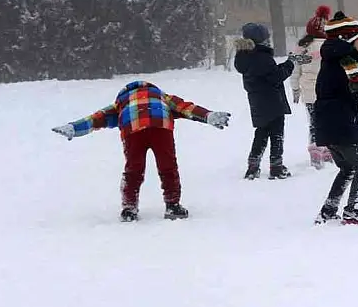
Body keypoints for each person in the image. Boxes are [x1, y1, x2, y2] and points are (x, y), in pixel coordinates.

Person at [51, 81, 230, 221]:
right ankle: (173, 205)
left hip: (133, 130)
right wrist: (208, 115)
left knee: (133, 170)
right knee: (168, 166)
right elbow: (186, 108)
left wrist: (73, 128)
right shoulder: (162, 97)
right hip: (161, 127)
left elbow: (96, 119)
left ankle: (129, 208)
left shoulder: (121, 102)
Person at [314, 12, 358, 224]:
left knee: (348, 167)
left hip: (325, 121)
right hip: (341, 120)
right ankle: (353, 209)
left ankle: (329, 209)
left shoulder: (329, 60)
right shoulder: (349, 60)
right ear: (349, 41)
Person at [234, 23, 312, 180]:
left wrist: (288, 62)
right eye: (266, 38)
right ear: (260, 40)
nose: (268, 41)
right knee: (277, 134)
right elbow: (276, 76)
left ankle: (253, 167)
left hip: (257, 102)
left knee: (261, 133)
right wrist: (290, 63)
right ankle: (276, 167)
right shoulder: (262, 57)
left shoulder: (245, 56)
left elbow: (269, 74)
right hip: (272, 101)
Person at [292, 5, 332, 169]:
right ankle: (329, 151)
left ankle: (315, 153)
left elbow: (294, 71)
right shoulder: (331, 46)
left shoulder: (301, 48)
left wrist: (295, 89)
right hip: (328, 92)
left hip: (309, 94)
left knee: (314, 123)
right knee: (328, 122)